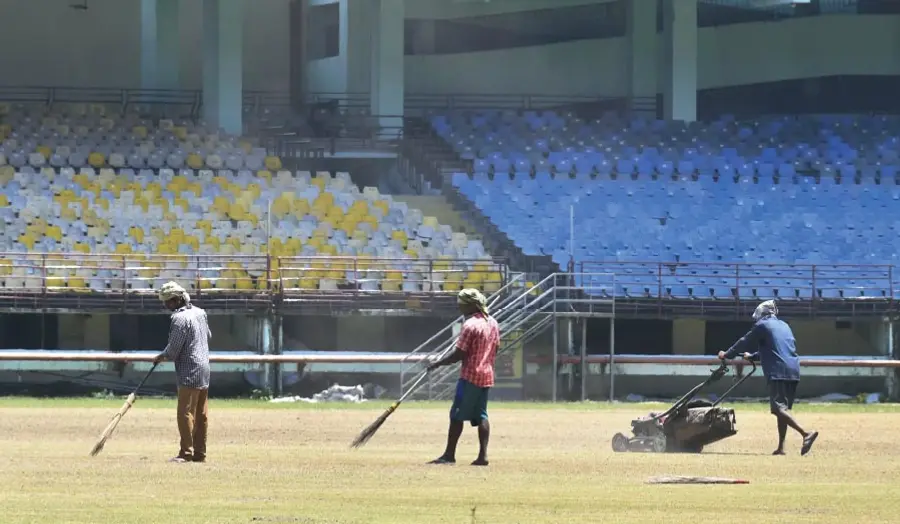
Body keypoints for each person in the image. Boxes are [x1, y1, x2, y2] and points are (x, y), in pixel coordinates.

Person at [718, 300, 819, 456]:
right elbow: (777, 350)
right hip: (793, 370)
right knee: (783, 410)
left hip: (778, 371)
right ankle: (781, 448)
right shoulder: (784, 326)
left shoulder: (762, 325)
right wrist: (753, 356)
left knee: (777, 409)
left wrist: (727, 354)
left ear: (762, 313)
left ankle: (806, 434)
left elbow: (744, 341)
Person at [426, 288, 501, 466]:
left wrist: (437, 364)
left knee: (456, 415)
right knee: (481, 415)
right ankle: (483, 456)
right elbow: (496, 348)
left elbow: (458, 354)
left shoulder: (470, 325)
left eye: (461, 304)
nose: (459, 307)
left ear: (469, 305)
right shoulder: (493, 323)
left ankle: (449, 455)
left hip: (470, 376)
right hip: (487, 375)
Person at [152, 281, 212, 463]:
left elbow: (173, 350)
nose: (166, 305)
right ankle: (200, 453)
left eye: (168, 301)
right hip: (204, 368)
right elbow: (208, 335)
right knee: (201, 414)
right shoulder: (200, 313)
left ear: (178, 299)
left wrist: (160, 357)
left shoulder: (179, 319)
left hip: (189, 369)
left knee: (185, 412)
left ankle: (186, 453)